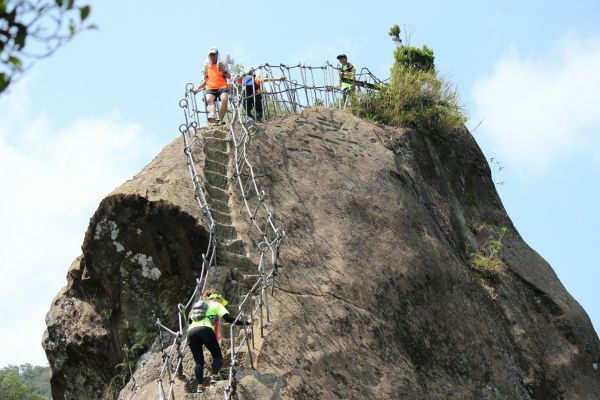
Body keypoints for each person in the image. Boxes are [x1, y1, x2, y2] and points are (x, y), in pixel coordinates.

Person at [187, 291, 251, 394]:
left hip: (191, 332)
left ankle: (199, 387)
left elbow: (190, 321)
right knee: (217, 356)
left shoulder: (199, 306)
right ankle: (214, 376)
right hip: (205, 330)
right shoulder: (217, 304)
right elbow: (229, 319)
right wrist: (246, 322)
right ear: (218, 299)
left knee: (199, 362)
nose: (222, 304)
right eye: (222, 301)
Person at [194, 47, 231, 125]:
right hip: (211, 87)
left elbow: (229, 76)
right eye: (210, 55)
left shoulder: (222, 64)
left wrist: (224, 71)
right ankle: (212, 117)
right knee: (209, 100)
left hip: (222, 86)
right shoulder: (207, 66)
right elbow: (205, 80)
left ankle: (220, 119)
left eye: (214, 55)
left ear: (217, 55)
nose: (212, 57)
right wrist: (198, 88)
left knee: (224, 100)